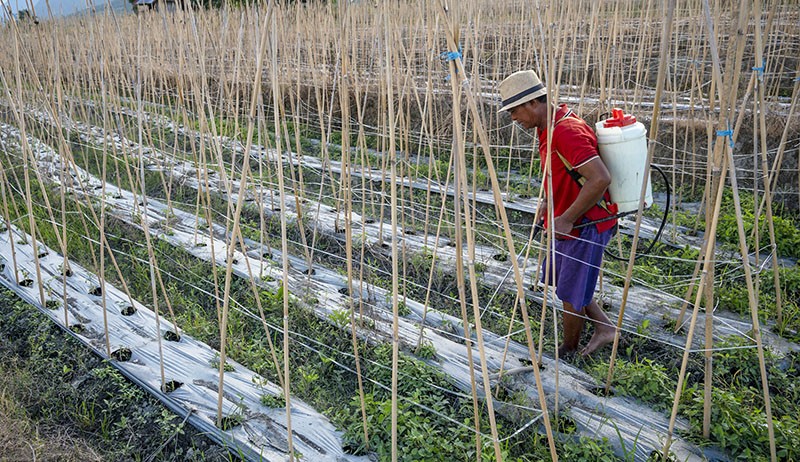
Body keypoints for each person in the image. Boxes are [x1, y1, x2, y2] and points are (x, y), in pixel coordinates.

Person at [498, 70, 618, 357]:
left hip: (585, 223)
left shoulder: (566, 131)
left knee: (570, 291)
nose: (514, 118)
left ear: (532, 103)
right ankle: (605, 328)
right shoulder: (547, 129)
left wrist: (567, 218)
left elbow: (599, 179)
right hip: (567, 218)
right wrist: (548, 204)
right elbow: (563, 173)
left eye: (514, 110)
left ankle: (568, 349)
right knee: (563, 278)